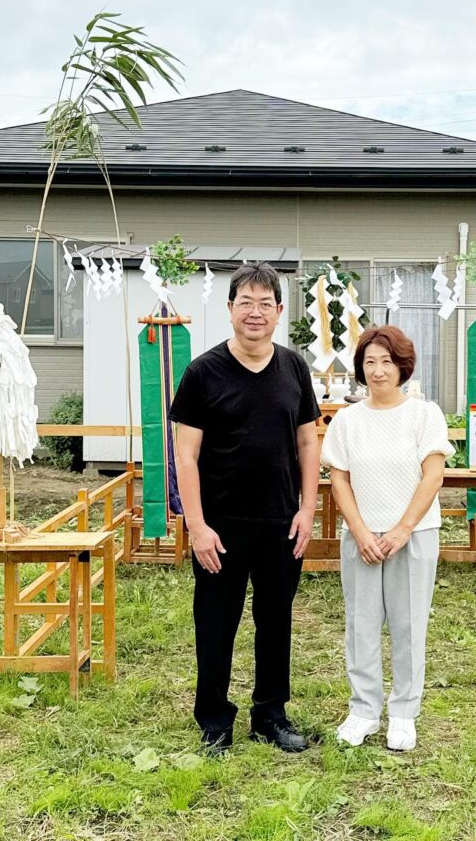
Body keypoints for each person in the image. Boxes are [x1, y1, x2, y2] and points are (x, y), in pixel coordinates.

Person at [170, 262, 321, 755]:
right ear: (230, 308)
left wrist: (308, 508)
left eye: (265, 303)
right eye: (245, 303)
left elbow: (307, 443)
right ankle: (214, 720)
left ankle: (270, 715)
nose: (255, 312)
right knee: (216, 623)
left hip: (281, 521)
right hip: (220, 525)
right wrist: (196, 526)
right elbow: (185, 454)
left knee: (275, 621)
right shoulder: (202, 373)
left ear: (279, 312)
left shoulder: (294, 368)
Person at [321, 325, 454, 751]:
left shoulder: (424, 414)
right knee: (361, 625)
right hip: (361, 536)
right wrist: (360, 531)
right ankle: (363, 710)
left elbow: (433, 474)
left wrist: (401, 530)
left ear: (402, 367)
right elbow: (338, 478)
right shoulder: (347, 420)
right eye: (369, 362)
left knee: (408, 623)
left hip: (413, 535)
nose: (378, 371)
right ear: (360, 369)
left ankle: (403, 713)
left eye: (386, 362)